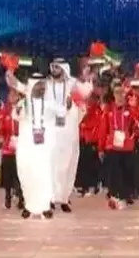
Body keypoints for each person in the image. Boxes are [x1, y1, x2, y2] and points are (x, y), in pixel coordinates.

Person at [7, 71, 57, 219]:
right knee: (27, 173)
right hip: (27, 145)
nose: (39, 88)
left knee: (44, 174)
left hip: (43, 146)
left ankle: (45, 206)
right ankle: (29, 205)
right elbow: (15, 116)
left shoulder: (50, 103)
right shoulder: (24, 103)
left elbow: (60, 112)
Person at [46, 60, 93, 212]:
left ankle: (64, 198)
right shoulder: (46, 85)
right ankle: (51, 197)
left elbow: (86, 93)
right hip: (52, 131)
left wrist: (86, 77)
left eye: (57, 67)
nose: (54, 69)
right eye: (52, 66)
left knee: (69, 165)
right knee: (52, 165)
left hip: (69, 131)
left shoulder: (73, 84)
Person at [99, 83, 137, 208]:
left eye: (122, 93)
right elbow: (103, 128)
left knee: (127, 171)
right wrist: (101, 147)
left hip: (127, 146)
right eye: (117, 93)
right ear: (114, 95)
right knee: (114, 172)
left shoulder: (130, 110)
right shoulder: (108, 110)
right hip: (113, 146)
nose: (120, 96)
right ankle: (115, 194)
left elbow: (135, 125)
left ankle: (126, 195)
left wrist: (132, 135)